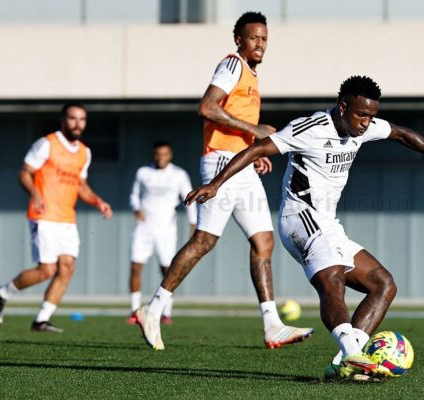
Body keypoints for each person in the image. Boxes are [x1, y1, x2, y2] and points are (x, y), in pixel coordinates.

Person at [185, 76, 424, 380]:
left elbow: (403, 134)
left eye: (371, 116)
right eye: (361, 115)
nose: (367, 123)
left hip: (328, 223)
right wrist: (216, 184)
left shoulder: (363, 127)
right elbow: (257, 150)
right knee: (333, 277)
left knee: (383, 284)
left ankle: (344, 360)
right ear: (342, 107)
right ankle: (354, 354)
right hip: (300, 217)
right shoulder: (310, 128)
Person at [134, 11, 313, 350]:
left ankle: (272, 324)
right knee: (204, 241)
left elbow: (238, 120)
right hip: (220, 161)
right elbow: (207, 107)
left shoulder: (252, 75)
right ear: (239, 40)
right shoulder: (232, 65)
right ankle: (153, 308)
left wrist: (254, 150)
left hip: (241, 165)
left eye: (264, 38)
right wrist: (255, 132)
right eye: (253, 38)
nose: (260, 43)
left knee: (264, 241)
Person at [0, 103, 112, 333]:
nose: (77, 123)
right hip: (43, 215)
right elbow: (25, 172)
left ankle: (41, 320)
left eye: (82, 119)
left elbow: (81, 186)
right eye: (73, 118)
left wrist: (98, 201)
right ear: (63, 120)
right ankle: (1, 293)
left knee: (67, 268)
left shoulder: (85, 152)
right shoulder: (47, 144)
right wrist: (35, 192)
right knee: (46, 270)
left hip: (66, 218)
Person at [126, 141, 197, 325]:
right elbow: (134, 195)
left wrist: (193, 226)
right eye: (158, 154)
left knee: (167, 270)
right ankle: (135, 311)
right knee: (135, 267)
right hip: (144, 227)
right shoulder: (143, 173)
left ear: (170, 155)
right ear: (154, 155)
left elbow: (190, 199)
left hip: (166, 229)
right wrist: (136, 208)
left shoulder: (179, 175)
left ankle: (166, 312)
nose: (161, 157)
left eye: (164, 154)